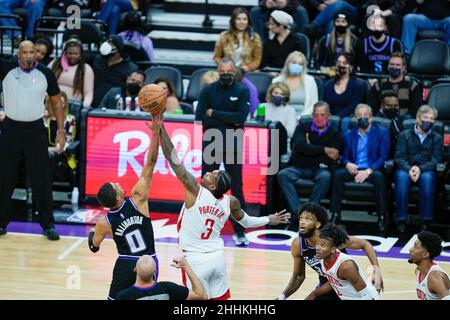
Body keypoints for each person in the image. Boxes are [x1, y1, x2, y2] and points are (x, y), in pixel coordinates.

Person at [157, 119, 290, 300]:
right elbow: (247, 221)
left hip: (194, 260)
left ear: (212, 187)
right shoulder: (231, 201)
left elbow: (173, 159)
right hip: (217, 260)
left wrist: (160, 129)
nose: (210, 171)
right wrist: (268, 219)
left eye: (213, 175)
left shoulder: (195, 192)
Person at [88, 114, 162, 300]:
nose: (118, 183)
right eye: (115, 185)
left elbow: (94, 246)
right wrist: (155, 133)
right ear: (119, 196)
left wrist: (92, 237)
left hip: (125, 263)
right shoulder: (138, 200)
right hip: (148, 261)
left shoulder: (104, 222)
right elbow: (151, 163)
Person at [0, 41, 65, 240]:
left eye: (32, 52)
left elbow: (56, 101)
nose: (29, 56)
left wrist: (61, 129)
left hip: (36, 130)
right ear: (18, 54)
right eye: (25, 52)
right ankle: (1, 223)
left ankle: (47, 224)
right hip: (10, 128)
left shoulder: (45, 72)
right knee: (4, 177)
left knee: (41, 179)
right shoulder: (5, 68)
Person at [195, 57, 251, 246]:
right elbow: (201, 118)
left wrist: (215, 113)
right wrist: (228, 120)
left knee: (237, 187)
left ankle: (240, 231)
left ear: (234, 71)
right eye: (222, 72)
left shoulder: (242, 91)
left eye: (229, 71)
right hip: (211, 142)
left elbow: (241, 119)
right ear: (218, 71)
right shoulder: (208, 90)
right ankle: (200, 227)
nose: (226, 74)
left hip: (233, 143)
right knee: (205, 187)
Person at [277, 203, 384, 300]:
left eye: (308, 218)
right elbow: (298, 276)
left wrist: (377, 271)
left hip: (350, 287)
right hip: (328, 286)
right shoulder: (298, 244)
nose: (302, 222)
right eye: (301, 218)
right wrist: (282, 297)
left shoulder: (333, 239)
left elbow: (365, 244)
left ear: (318, 224)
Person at [277, 101, 343, 230]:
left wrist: (309, 148)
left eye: (322, 115)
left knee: (325, 176)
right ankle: (298, 214)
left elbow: (334, 156)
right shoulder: (303, 126)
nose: (319, 118)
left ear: (328, 116)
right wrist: (324, 150)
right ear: (312, 115)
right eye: (316, 115)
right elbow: (300, 147)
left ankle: (309, 213)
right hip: (299, 167)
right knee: (283, 174)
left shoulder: (335, 133)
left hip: (319, 169)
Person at [330, 104, 390, 231]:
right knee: (338, 175)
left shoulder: (381, 132)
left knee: (380, 178)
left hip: (372, 169)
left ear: (371, 118)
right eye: (359, 116)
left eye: (365, 116)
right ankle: (335, 214)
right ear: (355, 119)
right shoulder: (349, 135)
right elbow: (344, 156)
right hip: (355, 168)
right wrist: (347, 164)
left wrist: (369, 170)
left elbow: (383, 156)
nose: (362, 118)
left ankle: (382, 216)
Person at [394, 105, 442, 234]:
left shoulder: (436, 137)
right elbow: (399, 157)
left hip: (425, 169)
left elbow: (435, 159)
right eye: (426, 117)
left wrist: (420, 168)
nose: (428, 121)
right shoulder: (404, 135)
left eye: (432, 119)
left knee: (428, 178)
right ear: (417, 118)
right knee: (401, 177)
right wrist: (410, 168)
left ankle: (425, 221)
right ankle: (401, 220)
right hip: (406, 168)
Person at [316, 223, 380, 300]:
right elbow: (334, 281)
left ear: (333, 249)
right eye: (317, 244)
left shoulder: (346, 266)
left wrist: (377, 272)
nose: (317, 248)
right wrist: (314, 294)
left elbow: (367, 296)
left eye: (323, 245)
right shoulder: (323, 258)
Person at [116, 255, 208, 300]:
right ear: (155, 270)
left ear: (135, 269)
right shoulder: (167, 288)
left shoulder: (123, 296)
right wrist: (186, 267)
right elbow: (201, 295)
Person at [368, 52, 422, 117]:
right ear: (388, 66)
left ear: (403, 68)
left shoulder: (412, 85)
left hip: (404, 121)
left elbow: (415, 111)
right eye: (392, 64)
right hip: (383, 120)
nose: (394, 67)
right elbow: (372, 109)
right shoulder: (378, 85)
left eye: (398, 65)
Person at [323, 52, 366, 133]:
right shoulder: (328, 84)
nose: (340, 65)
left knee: (345, 121)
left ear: (351, 67)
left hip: (349, 116)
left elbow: (354, 106)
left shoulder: (358, 85)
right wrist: (331, 117)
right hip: (331, 116)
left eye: (344, 63)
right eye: (338, 62)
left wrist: (337, 118)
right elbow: (326, 104)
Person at [92, 35, 138, 107]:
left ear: (118, 48)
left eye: (111, 43)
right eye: (107, 42)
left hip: (115, 105)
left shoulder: (131, 68)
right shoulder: (97, 60)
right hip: (94, 104)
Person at [44, 91, 77, 189]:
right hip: (44, 150)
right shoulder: (44, 119)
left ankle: (46, 190)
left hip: (63, 154)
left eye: (62, 103)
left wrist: (52, 149)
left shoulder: (70, 120)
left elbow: (68, 141)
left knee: (50, 157)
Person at [49, 37, 95, 107]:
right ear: (65, 53)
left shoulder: (86, 68)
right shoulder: (54, 63)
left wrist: (85, 107)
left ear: (81, 55)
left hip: (72, 106)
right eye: (70, 53)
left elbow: (88, 93)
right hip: (50, 102)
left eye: (76, 53)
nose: (72, 56)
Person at [213, 7, 262, 72]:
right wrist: (225, 66)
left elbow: (257, 59)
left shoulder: (255, 37)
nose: (242, 22)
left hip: (247, 72)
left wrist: (247, 67)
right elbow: (216, 57)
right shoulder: (224, 36)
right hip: (227, 72)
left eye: (244, 19)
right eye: (238, 19)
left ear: (248, 21)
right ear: (233, 21)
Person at [273, 51, 318, 118]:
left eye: (300, 64)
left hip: (303, 119)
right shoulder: (277, 80)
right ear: (288, 64)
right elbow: (273, 104)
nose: (297, 65)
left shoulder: (310, 81)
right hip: (281, 117)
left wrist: (299, 118)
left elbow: (314, 104)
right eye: (294, 63)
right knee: (274, 129)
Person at [408, 231, 450, 300]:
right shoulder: (418, 271)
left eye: (415, 246)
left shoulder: (435, 277)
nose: (410, 249)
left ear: (425, 254)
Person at [375, 90, 407, 157]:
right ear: (382, 105)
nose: (393, 108)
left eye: (396, 105)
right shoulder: (376, 121)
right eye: (389, 105)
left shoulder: (401, 119)